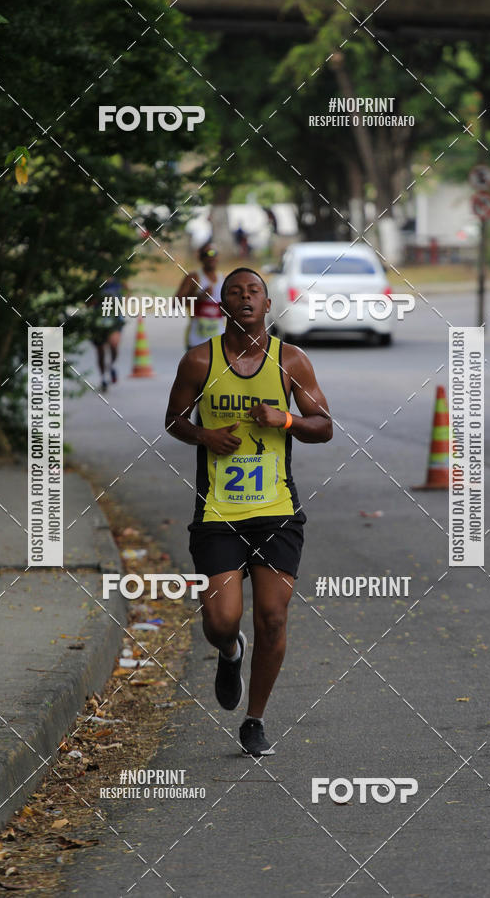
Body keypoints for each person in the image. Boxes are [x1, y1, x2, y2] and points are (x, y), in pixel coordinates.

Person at [165, 268, 332, 756]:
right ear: (221, 304)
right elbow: (174, 419)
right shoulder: (199, 361)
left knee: (274, 618)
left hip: (277, 510)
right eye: (234, 292)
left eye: (253, 291)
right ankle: (231, 651)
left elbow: (323, 426)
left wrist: (284, 418)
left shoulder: (290, 362)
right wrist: (204, 435)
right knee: (220, 621)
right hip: (218, 512)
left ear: (266, 303)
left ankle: (255, 720)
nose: (244, 298)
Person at [176, 242, 226, 350]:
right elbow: (176, 303)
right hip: (197, 341)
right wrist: (199, 297)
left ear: (218, 257)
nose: (210, 257)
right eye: (206, 254)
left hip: (219, 339)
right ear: (200, 258)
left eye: (214, 253)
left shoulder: (223, 279)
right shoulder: (194, 277)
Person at [90, 276, 126, 392]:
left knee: (114, 344)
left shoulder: (120, 281)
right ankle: (103, 377)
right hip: (98, 321)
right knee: (100, 351)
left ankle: (112, 366)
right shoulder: (95, 282)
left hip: (115, 319)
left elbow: (127, 295)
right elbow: (88, 303)